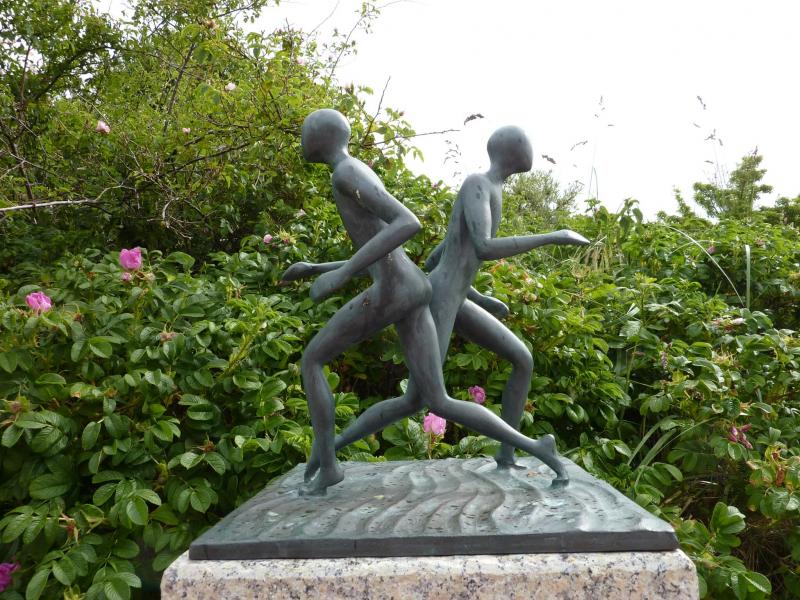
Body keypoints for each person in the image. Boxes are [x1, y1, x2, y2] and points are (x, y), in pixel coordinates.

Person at [288, 110, 571, 496]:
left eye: (305, 130)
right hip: (418, 288)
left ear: (319, 135)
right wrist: (322, 268)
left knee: (319, 363)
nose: (302, 138)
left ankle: (328, 461)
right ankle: (328, 455)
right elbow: (411, 252)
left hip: (403, 290)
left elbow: (411, 226)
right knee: (423, 399)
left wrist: (341, 274)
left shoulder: (348, 172)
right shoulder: (356, 171)